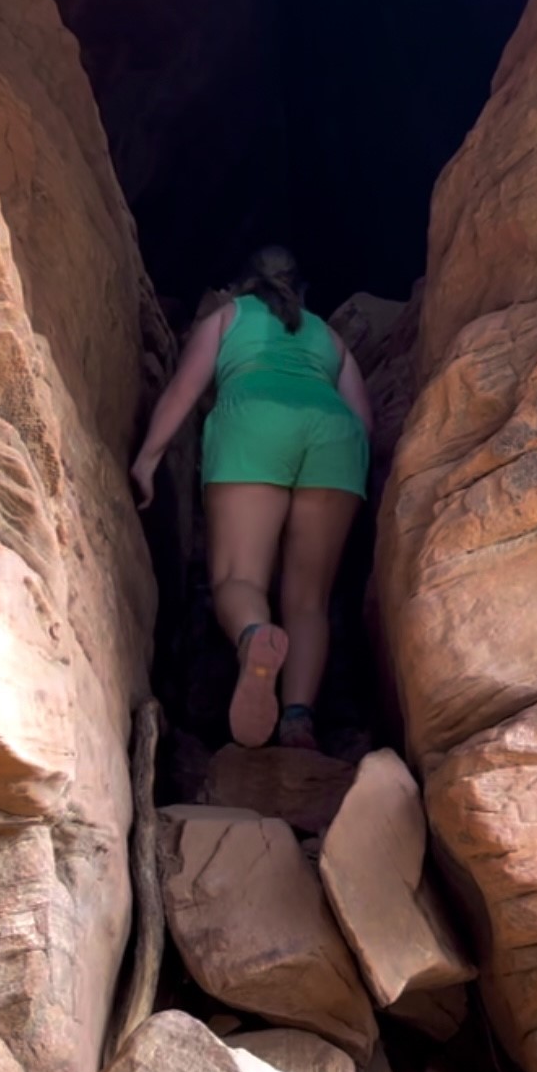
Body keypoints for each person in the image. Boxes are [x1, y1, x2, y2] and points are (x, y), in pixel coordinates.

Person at [131, 246, 371, 751]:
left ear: (244, 285)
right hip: (333, 436)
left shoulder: (227, 317)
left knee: (238, 578)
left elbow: (184, 390)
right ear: (301, 292)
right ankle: (299, 719)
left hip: (253, 424)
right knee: (309, 600)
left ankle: (254, 636)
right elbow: (364, 423)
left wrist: (148, 459)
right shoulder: (328, 337)